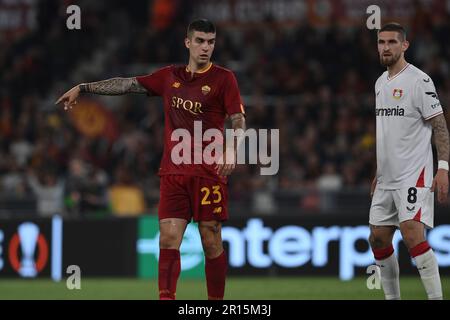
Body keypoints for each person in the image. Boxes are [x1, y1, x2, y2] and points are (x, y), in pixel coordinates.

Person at [55, 19, 246, 300]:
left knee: (210, 239)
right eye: (201, 41)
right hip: (173, 173)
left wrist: (233, 149)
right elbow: (127, 84)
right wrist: (84, 87)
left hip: (209, 172)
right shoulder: (169, 76)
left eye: (211, 42)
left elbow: (239, 119)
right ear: (188, 42)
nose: (206, 47)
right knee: (168, 239)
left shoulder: (224, 78)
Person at [369, 23, 449, 300]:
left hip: (414, 173)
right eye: (381, 42)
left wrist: (443, 168)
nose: (386, 47)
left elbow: (439, 126)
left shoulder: (419, 80)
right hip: (387, 177)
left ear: (405, 45)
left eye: (392, 42)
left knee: (412, 232)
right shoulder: (380, 82)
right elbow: (388, 132)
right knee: (377, 238)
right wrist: (379, 171)